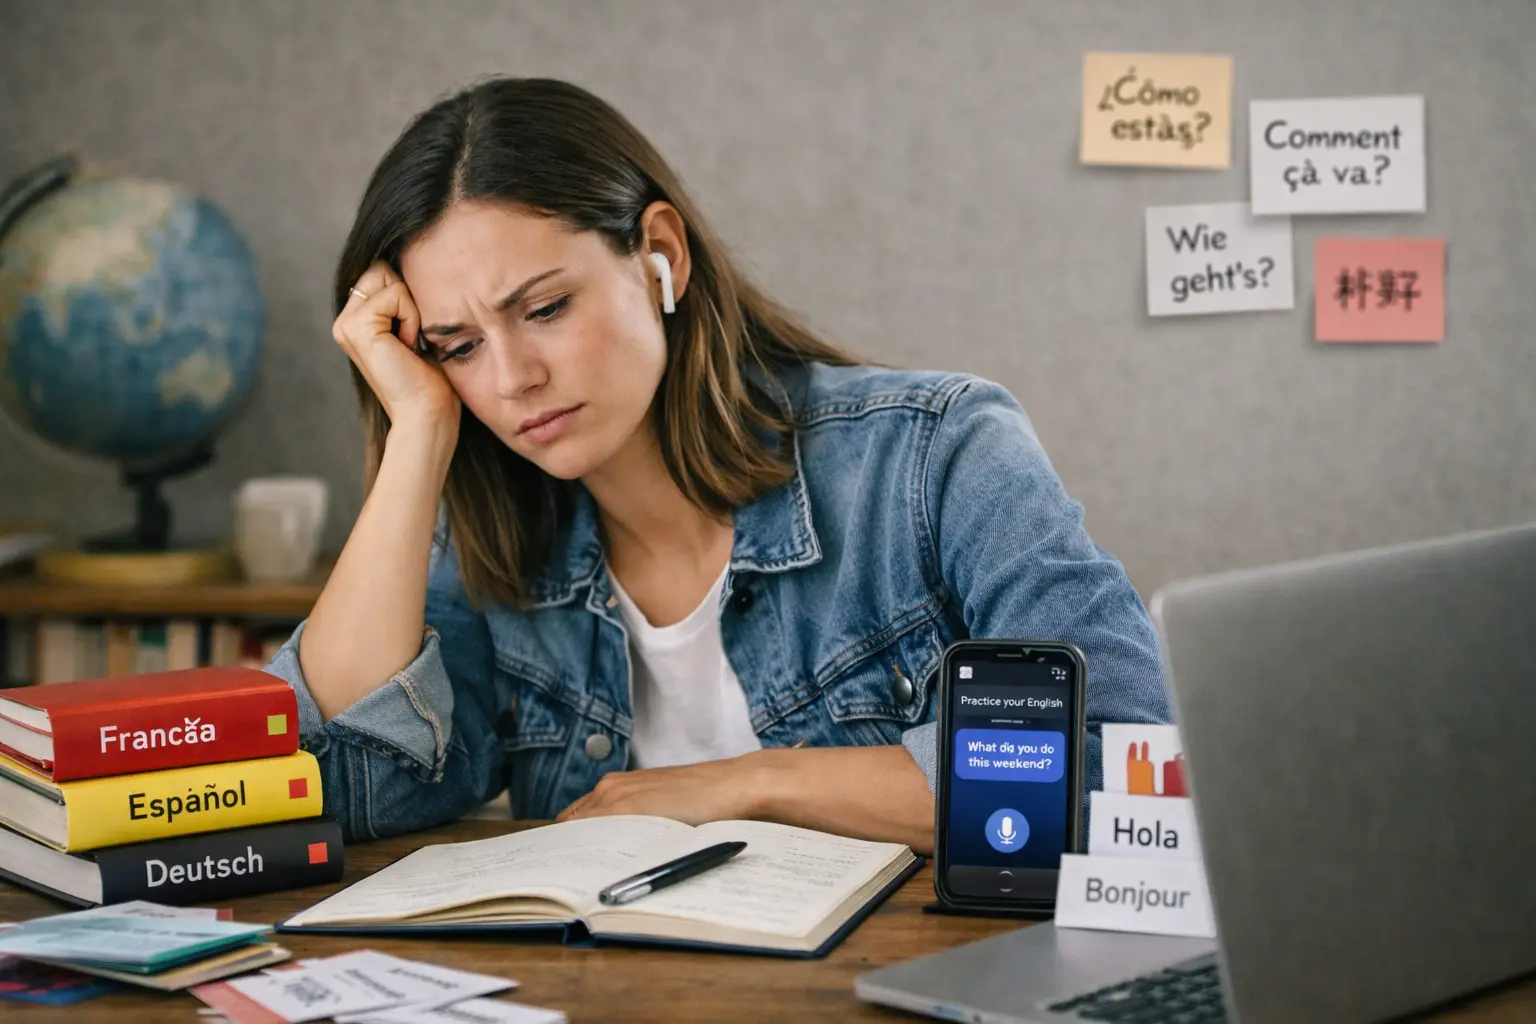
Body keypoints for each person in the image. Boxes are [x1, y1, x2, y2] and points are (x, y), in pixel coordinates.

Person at [264, 76, 1170, 855]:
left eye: (544, 309)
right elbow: (330, 784)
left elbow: (1121, 764)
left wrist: (749, 785)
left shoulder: (936, 456)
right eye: (457, 346)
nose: (511, 380)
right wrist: (418, 429)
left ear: (659, 255)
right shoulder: (495, 542)